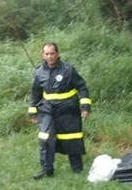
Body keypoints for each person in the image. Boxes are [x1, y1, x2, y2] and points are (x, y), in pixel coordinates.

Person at [28, 42, 91, 179]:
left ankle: (77, 170)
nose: (50, 56)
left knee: (72, 138)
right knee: (45, 139)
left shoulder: (68, 70)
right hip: (47, 110)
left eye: (52, 53)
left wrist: (85, 106)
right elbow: (35, 93)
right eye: (47, 54)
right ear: (43, 55)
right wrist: (33, 110)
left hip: (68, 109)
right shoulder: (39, 72)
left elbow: (82, 87)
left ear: (57, 54)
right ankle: (47, 171)